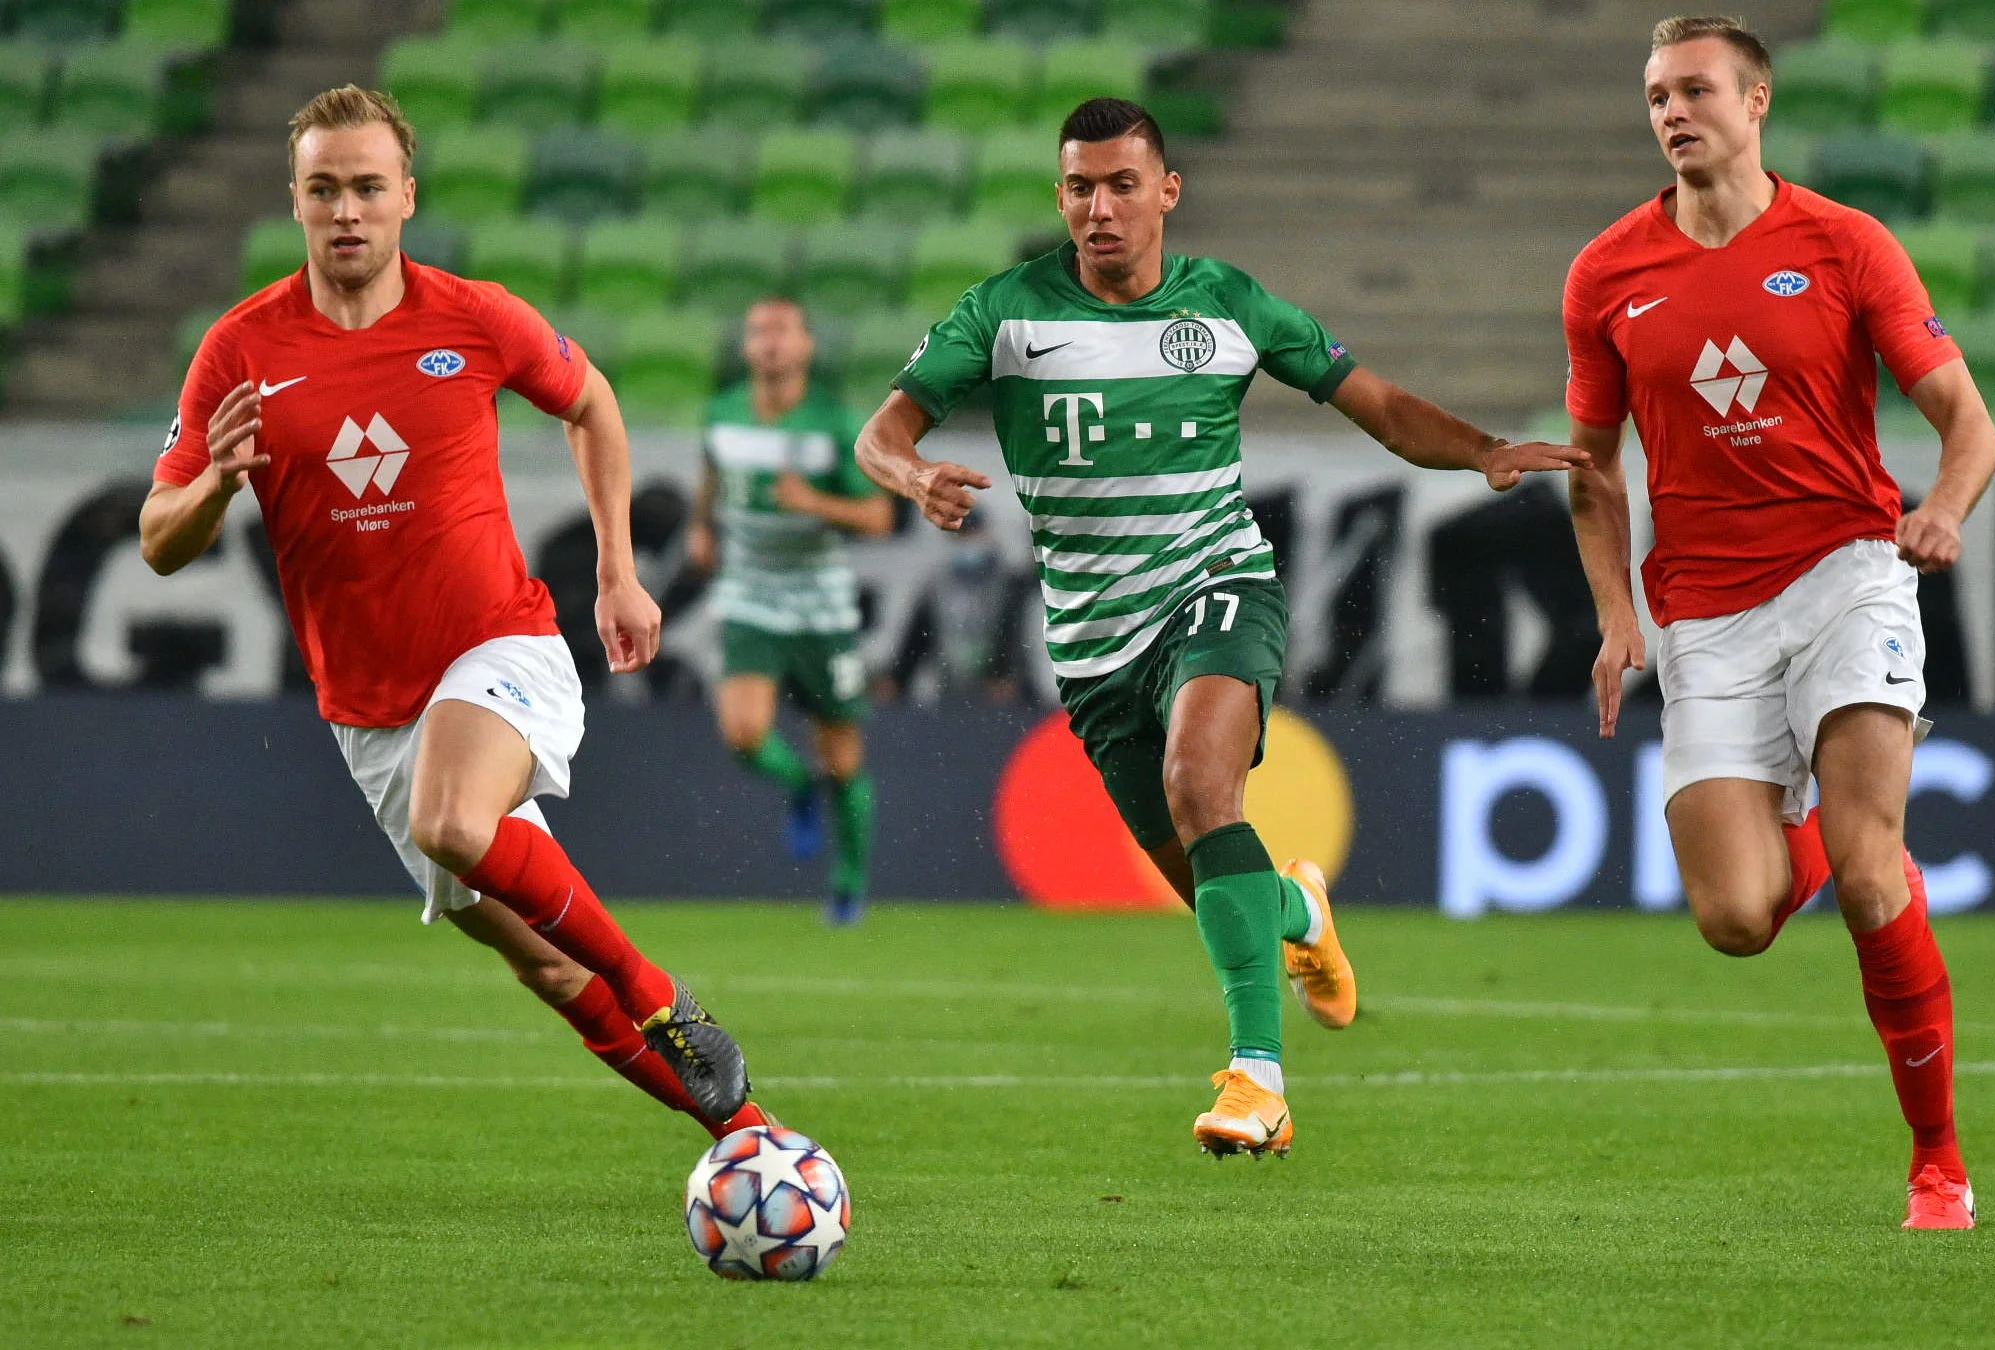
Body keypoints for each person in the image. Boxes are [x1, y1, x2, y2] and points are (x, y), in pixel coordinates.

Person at [855, 97, 1586, 1157]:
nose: (1099, 209)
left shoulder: (1229, 306)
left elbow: (1376, 402)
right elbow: (882, 432)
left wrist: (1481, 450)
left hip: (1217, 582)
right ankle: (1298, 915)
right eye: (1079, 188)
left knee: (1202, 790)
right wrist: (912, 473)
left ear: (1167, 191)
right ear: (1059, 196)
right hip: (1092, 643)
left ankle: (1258, 1084)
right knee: (1208, 882)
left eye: (1121, 185)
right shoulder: (1004, 312)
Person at [138, 86, 766, 1138]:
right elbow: (160, 540)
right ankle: (751, 1139)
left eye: (367, 187)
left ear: (407, 197)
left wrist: (617, 570)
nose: (347, 210)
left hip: (498, 648)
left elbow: (591, 402)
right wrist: (213, 486)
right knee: (550, 967)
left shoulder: (471, 316)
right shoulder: (240, 351)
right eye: (324, 189)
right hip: (370, 715)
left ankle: (660, 995)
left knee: (455, 822)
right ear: (293, 200)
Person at [1562, 17, 1995, 1228]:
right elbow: (1592, 468)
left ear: (1756, 101)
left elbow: (1968, 420)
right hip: (1706, 614)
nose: (1672, 111)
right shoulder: (1606, 274)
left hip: (1848, 574)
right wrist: (1616, 614)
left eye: (1695, 89)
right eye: (1657, 95)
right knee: (1736, 920)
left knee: (1869, 880)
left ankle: (1938, 1164)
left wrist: (1942, 509)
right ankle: (1823, 833)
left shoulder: (1845, 244)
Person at [687, 297, 893, 926]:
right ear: (747, 348)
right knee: (744, 733)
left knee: (843, 756)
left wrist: (814, 503)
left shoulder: (836, 422)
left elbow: (879, 517)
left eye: (782, 330)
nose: (770, 341)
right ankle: (799, 787)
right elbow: (711, 479)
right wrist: (701, 527)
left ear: (807, 346)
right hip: (749, 595)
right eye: (758, 331)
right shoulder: (722, 413)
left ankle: (850, 880)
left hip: (821, 606)